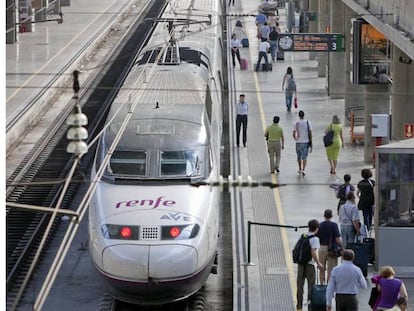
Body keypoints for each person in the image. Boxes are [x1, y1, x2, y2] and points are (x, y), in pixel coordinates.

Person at [296, 219, 324, 311]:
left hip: (300, 264)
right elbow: (313, 253)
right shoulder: (315, 239)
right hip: (310, 265)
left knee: (300, 286)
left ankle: (299, 306)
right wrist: (319, 263)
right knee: (311, 285)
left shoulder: (303, 236)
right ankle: (310, 306)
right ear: (317, 229)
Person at [316, 209, 342, 284]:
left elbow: (316, 235)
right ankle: (329, 286)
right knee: (331, 269)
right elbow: (337, 239)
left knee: (321, 268)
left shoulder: (320, 225)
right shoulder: (334, 225)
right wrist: (342, 248)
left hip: (322, 248)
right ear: (331, 216)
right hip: (332, 250)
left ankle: (321, 285)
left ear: (324, 216)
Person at [293, 110, 312, 176]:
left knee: (299, 156)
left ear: (299, 115)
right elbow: (310, 132)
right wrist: (311, 141)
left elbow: (294, 133)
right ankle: (303, 169)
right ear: (304, 115)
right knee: (304, 157)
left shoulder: (296, 123)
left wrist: (295, 138)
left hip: (298, 142)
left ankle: (299, 168)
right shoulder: (307, 122)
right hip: (305, 142)